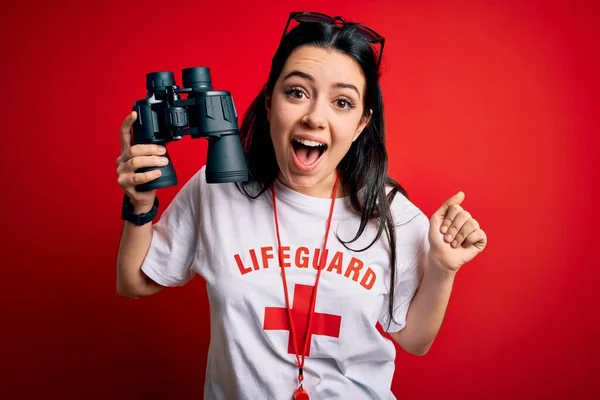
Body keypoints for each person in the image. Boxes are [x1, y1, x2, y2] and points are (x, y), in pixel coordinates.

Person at [115, 11, 487, 400]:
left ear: (361, 124)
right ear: (270, 102)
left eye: (342, 102)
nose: (315, 117)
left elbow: (414, 339)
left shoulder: (393, 216)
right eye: (296, 92)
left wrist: (442, 270)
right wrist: (140, 202)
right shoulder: (217, 190)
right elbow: (135, 282)